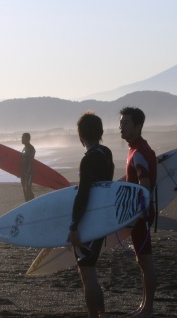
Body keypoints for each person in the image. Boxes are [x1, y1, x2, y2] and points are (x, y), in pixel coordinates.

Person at [68, 112, 114, 318]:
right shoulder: (106, 153)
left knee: (87, 273)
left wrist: (74, 226)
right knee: (89, 270)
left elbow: (84, 194)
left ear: (80, 135)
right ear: (101, 132)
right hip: (102, 219)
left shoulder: (88, 160)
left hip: (89, 222)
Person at [119, 107, 157, 318]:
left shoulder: (139, 152)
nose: (121, 127)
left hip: (140, 213)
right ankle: (144, 306)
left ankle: (148, 309)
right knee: (142, 262)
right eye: (121, 123)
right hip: (138, 213)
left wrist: (141, 211)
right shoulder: (136, 149)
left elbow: (145, 181)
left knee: (146, 261)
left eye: (125, 123)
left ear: (138, 126)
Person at [20, 132, 35, 201]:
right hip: (23, 173)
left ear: (28, 139)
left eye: (23, 138)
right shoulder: (24, 148)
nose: (21, 139)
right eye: (22, 138)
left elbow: (30, 162)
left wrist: (27, 172)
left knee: (28, 188)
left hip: (28, 173)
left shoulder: (31, 148)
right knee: (24, 189)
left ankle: (33, 203)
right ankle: (27, 203)